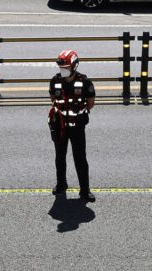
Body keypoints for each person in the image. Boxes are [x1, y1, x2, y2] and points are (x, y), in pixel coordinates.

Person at [49, 49, 96, 203]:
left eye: (66, 68)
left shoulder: (85, 82)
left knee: (80, 158)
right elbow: (53, 100)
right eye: (61, 68)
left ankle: (85, 190)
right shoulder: (55, 81)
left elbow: (90, 103)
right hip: (61, 126)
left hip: (77, 127)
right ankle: (61, 184)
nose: (63, 71)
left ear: (74, 67)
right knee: (60, 157)